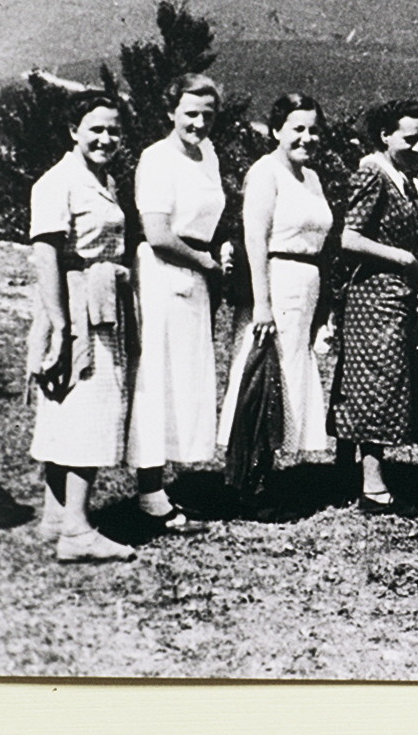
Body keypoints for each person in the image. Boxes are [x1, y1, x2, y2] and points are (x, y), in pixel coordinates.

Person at [25, 93, 136, 563]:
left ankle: (55, 517)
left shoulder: (102, 180)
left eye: (113, 130)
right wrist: (59, 323)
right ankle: (77, 530)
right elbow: (46, 254)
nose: (106, 138)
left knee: (66, 407)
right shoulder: (58, 182)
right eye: (96, 129)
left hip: (98, 299)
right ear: (74, 130)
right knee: (89, 407)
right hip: (77, 308)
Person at [328, 99, 418, 514]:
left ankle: (346, 472)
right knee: (376, 384)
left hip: (393, 295)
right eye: (409, 139)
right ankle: (372, 486)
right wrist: (403, 258)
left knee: (373, 381)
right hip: (373, 296)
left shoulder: (400, 179)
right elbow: (349, 237)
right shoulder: (371, 173)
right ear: (385, 136)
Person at [126, 73, 228, 534]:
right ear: (171, 111)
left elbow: (208, 217)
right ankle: (149, 492)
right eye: (191, 113)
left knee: (186, 380)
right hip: (164, 274)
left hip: (197, 273)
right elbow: (158, 233)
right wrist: (204, 261)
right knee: (158, 376)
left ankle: (168, 483)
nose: (199, 123)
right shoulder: (157, 158)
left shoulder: (208, 155)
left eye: (208, 114)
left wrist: (216, 253)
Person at [217, 93, 333, 468]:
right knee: (263, 373)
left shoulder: (312, 177)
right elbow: (255, 238)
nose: (306, 137)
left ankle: (268, 469)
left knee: (290, 372)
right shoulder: (265, 171)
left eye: (314, 130)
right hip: (275, 280)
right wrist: (261, 305)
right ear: (275, 130)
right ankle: (248, 476)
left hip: (306, 285)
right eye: (297, 128)